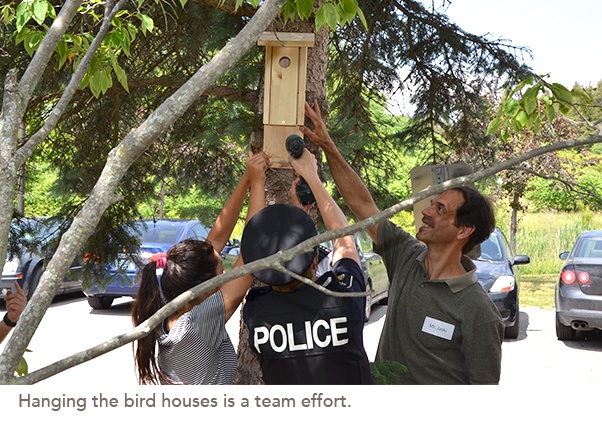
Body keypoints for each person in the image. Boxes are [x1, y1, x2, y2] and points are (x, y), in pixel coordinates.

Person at [299, 99, 504, 385]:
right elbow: (363, 206)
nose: (427, 212)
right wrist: (328, 145)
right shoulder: (407, 256)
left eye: (440, 209)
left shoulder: (479, 311)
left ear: (464, 230)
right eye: (431, 204)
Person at [131, 151, 270, 385]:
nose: (225, 276)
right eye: (220, 276)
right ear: (202, 289)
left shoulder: (171, 307)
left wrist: (247, 177)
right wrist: (258, 183)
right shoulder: (196, 325)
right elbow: (250, 255)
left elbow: (212, 245)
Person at [241, 148, 375, 385]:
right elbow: (344, 242)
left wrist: (296, 225)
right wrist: (311, 175)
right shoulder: (343, 298)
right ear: (315, 261)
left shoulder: (256, 310)